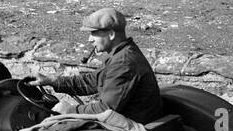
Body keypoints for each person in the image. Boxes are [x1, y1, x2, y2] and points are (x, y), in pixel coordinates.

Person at [26, 7, 162, 124]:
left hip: (126, 128)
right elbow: (92, 81)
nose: (89, 39)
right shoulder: (120, 53)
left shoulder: (123, 62)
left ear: (111, 34)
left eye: (94, 33)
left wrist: (70, 110)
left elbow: (106, 110)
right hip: (124, 120)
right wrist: (53, 81)